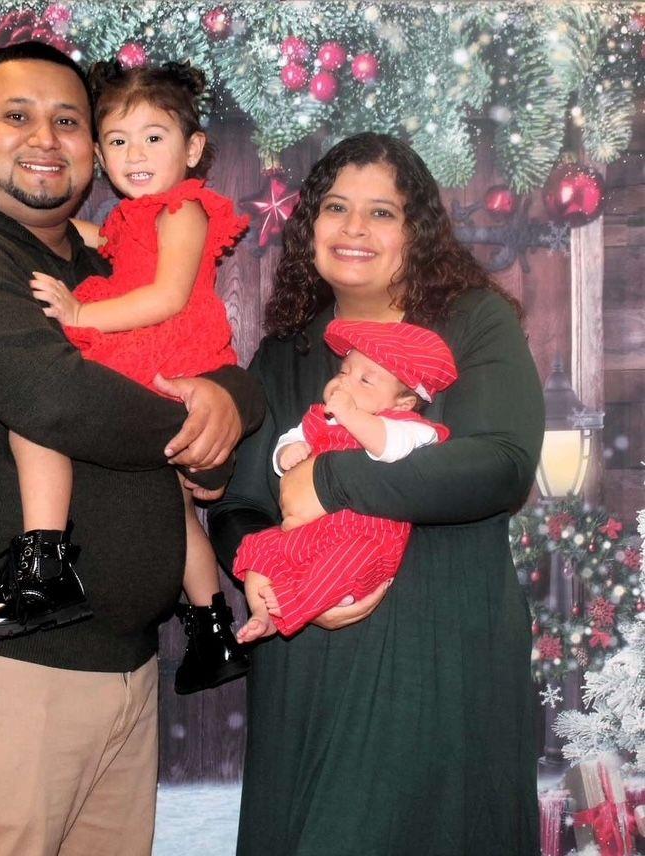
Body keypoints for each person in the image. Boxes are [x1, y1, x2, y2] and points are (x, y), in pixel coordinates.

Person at [0, 40, 263, 856]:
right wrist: (200, 419)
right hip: (5, 677)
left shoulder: (102, 260)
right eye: (16, 116)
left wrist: (231, 401)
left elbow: (209, 365)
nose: (44, 138)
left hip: (121, 669)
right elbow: (65, 403)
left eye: (68, 121)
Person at [208, 132, 543, 854]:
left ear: (416, 231)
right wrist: (256, 568)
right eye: (336, 207)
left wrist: (332, 480)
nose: (354, 228)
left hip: (438, 661)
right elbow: (239, 506)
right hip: (308, 667)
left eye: (382, 212)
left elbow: (502, 466)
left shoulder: (474, 322)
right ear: (310, 226)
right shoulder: (287, 353)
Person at [0, 60, 250, 695]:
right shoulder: (133, 218)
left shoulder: (182, 209)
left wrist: (80, 314)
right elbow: (87, 236)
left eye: (154, 137)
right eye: (118, 141)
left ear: (193, 149)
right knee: (174, 505)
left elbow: (169, 295)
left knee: (35, 420)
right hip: (163, 355)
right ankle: (212, 630)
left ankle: (44, 561)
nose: (135, 154)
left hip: (163, 349)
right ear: (99, 153)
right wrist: (22, 220)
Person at [234, 318, 457, 641]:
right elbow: (290, 439)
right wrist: (288, 453)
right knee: (260, 549)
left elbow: (388, 448)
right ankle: (263, 614)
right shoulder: (322, 417)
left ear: (404, 402)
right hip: (307, 533)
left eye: (365, 380)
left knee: (340, 567)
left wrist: (350, 415)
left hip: (363, 539)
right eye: (343, 372)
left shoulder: (410, 427)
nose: (345, 383)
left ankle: (295, 602)